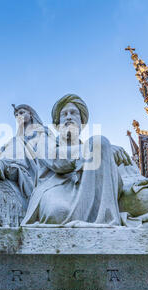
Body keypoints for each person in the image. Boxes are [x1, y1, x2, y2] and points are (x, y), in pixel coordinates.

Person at [21, 94, 131, 227]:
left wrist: (106, 152)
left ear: (81, 122)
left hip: (87, 187)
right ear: (58, 123)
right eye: (64, 114)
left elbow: (122, 180)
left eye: (73, 113)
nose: (68, 117)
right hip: (55, 188)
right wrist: (93, 149)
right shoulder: (45, 139)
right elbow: (55, 160)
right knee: (58, 213)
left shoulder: (98, 148)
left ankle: (105, 223)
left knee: (101, 143)